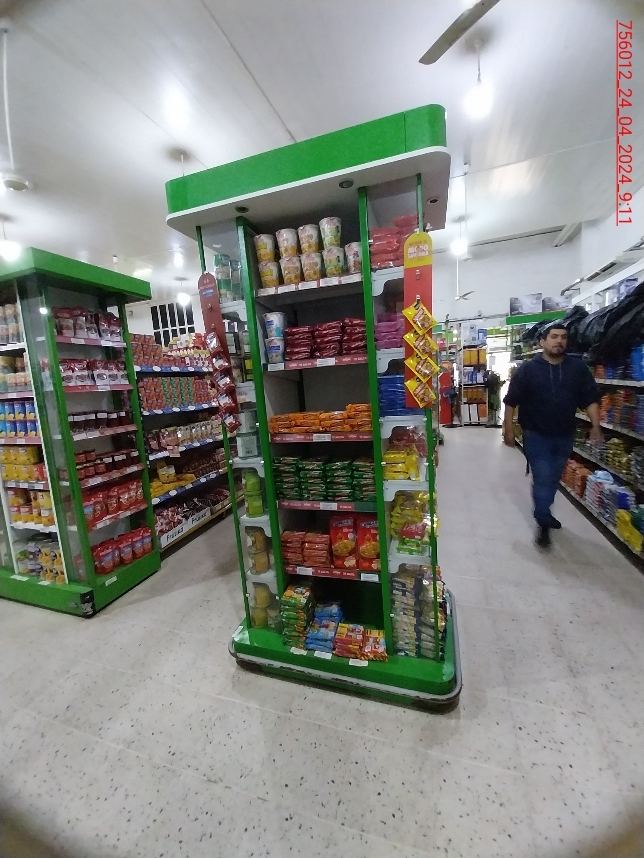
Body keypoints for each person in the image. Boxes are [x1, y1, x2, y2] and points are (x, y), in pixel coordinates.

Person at [502, 323, 601, 547]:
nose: (559, 341)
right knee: (543, 477)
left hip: (565, 435)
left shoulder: (577, 369)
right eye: (554, 336)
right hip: (536, 434)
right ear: (542, 342)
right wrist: (508, 430)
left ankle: (544, 511)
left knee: (553, 478)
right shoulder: (528, 370)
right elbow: (510, 401)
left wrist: (596, 425)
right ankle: (543, 521)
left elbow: (589, 398)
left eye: (563, 337)